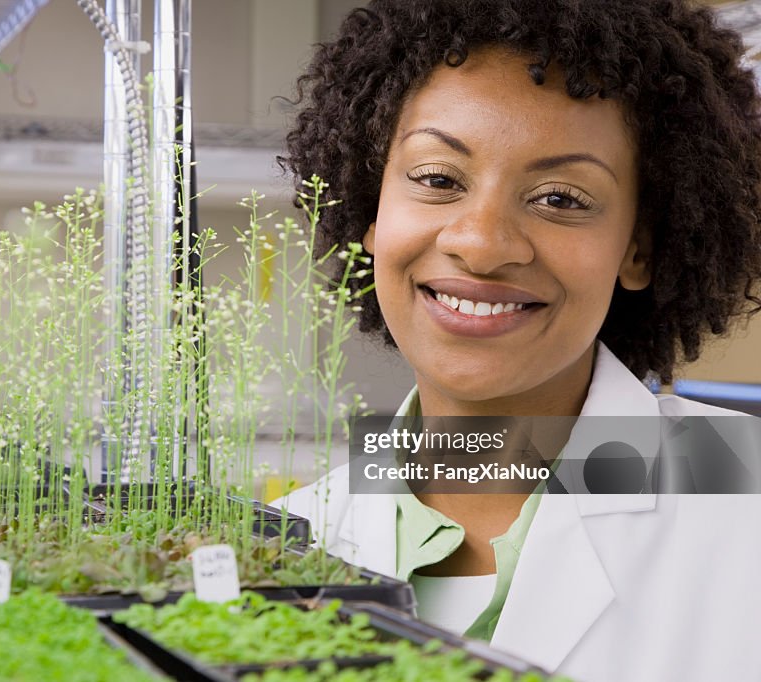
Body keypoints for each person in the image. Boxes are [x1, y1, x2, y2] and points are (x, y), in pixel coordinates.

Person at [276, 1, 761, 680]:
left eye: (561, 198)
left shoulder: (746, 505)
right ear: (370, 211)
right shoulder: (285, 540)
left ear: (640, 248)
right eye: (438, 179)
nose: (480, 244)